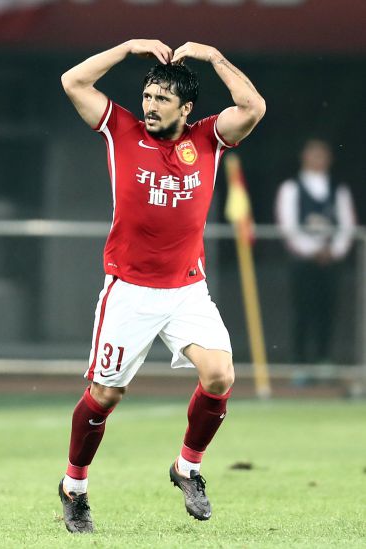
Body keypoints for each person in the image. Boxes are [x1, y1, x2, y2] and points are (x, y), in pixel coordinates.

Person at [58, 39, 266, 533]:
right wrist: (128, 48)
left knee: (220, 376)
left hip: (187, 289)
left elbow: (253, 107)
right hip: (129, 289)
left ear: (186, 108)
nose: (150, 106)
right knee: (105, 396)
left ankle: (187, 468)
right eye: (147, 96)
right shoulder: (122, 129)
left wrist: (215, 57)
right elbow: (73, 81)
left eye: (162, 99)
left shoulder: (209, 137)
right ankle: (74, 486)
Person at [275, 139, 356, 365]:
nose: (318, 159)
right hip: (303, 262)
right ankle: (300, 362)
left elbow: (347, 225)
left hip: (330, 262)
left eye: (322, 155)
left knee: (328, 310)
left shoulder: (338, 189)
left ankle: (324, 359)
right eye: (313, 154)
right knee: (303, 309)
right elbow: (287, 225)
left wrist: (333, 251)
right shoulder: (291, 188)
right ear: (304, 157)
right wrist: (312, 250)